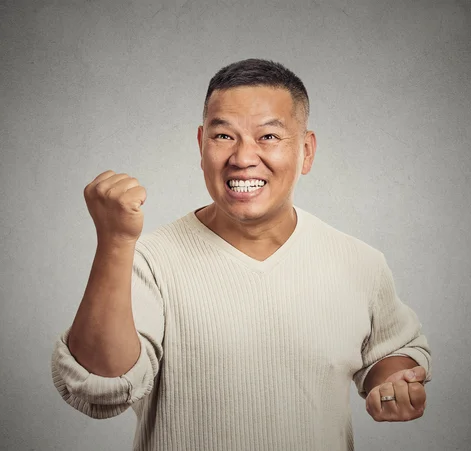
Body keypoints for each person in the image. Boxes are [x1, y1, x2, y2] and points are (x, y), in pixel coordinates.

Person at [51, 58, 432, 451]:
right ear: (201, 145)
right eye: (224, 136)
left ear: (306, 151)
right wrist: (114, 242)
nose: (243, 157)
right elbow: (101, 387)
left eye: (268, 136)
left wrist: (393, 384)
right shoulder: (150, 261)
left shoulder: (360, 262)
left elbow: (392, 350)